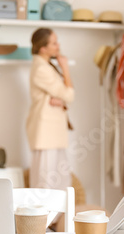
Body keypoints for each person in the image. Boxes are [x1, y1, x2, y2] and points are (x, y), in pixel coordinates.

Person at [27, 28, 74, 189]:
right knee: (45, 182)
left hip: (53, 133)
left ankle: (59, 215)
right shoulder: (42, 69)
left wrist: (60, 99)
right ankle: (43, 215)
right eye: (54, 43)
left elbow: (64, 96)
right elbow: (69, 95)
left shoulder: (47, 66)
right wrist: (65, 68)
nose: (58, 46)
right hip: (45, 133)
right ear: (43, 48)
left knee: (61, 181)